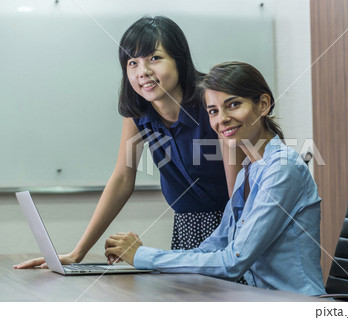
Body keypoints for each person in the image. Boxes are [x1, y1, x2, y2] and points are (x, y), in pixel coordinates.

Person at [14, 16, 244, 269]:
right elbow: (123, 179)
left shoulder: (212, 104)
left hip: (235, 223)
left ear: (179, 59)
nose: (142, 72)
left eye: (154, 58)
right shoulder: (139, 113)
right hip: (187, 224)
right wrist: (77, 253)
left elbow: (239, 198)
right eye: (132, 62)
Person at [104, 62, 326, 295]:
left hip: (297, 305)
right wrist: (140, 254)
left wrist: (142, 256)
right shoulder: (247, 172)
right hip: (262, 301)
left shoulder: (283, 169)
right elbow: (211, 248)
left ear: (263, 104)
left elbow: (232, 262)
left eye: (233, 105)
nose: (222, 119)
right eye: (213, 111)